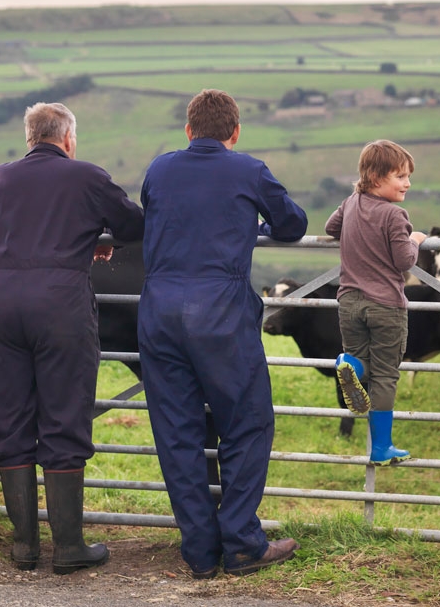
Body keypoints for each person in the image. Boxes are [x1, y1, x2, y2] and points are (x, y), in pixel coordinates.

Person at [137, 89, 308, 579]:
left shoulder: (159, 169)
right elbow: (292, 224)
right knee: (248, 424)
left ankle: (198, 552)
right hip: (221, 313)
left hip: (160, 310)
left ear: (188, 131)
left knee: (177, 432)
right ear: (235, 133)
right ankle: (241, 543)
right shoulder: (248, 169)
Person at [0, 102, 143, 575]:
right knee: (64, 415)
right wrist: (96, 235)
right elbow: (133, 225)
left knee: (9, 419)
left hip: (3, 302)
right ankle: (68, 547)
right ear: (67, 139)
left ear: (29, 137)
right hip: (61, 303)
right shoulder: (87, 177)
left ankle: (24, 547)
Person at [325, 139, 427, 466]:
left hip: (350, 302)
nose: (407, 183)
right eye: (400, 176)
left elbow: (331, 228)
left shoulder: (351, 202)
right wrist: (414, 240)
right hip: (385, 306)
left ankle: (350, 364)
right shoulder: (395, 215)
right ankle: (381, 448)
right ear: (376, 177)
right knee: (385, 375)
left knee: (363, 363)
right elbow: (403, 261)